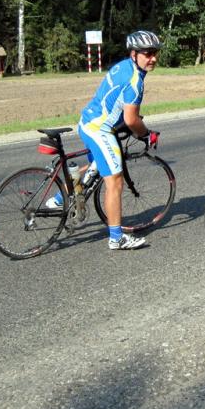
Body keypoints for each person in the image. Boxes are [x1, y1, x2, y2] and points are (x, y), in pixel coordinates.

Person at [51, 30, 163, 251]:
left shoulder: (123, 66)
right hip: (100, 129)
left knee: (98, 166)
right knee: (115, 181)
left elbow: (113, 100)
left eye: (155, 53)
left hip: (87, 121)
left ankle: (58, 198)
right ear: (134, 54)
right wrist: (146, 134)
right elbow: (132, 120)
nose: (153, 58)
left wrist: (123, 121)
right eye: (148, 53)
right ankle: (116, 238)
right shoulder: (135, 82)